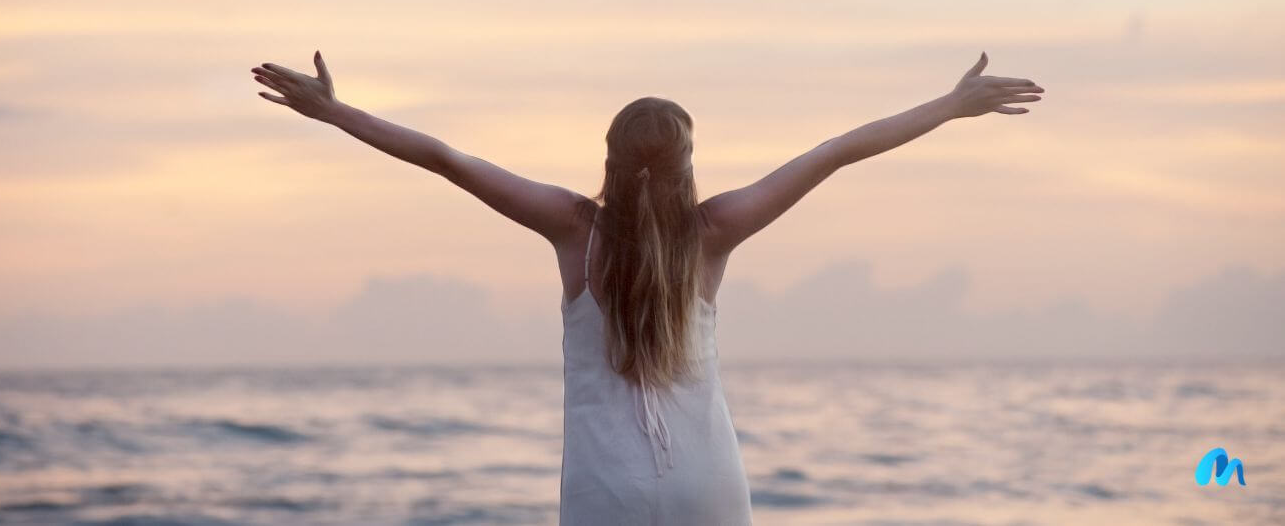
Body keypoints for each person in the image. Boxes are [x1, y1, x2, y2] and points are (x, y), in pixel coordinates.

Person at [250, 50, 1044, 524]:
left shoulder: (572, 229)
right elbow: (837, 150)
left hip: (606, 489)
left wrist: (335, 111)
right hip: (706, 480)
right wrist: (950, 105)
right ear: (687, 162)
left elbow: (446, 158)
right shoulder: (717, 229)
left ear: (609, 155)